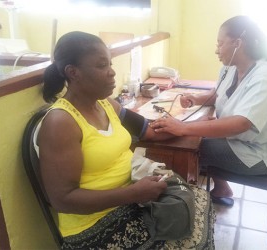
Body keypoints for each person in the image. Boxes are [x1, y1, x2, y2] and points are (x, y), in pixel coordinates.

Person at [35, 31, 214, 249]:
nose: (112, 73)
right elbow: (62, 200)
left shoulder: (106, 104)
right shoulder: (60, 123)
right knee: (189, 239)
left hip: (132, 195)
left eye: (110, 64)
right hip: (94, 223)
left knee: (200, 203)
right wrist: (132, 194)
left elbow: (148, 131)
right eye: (102, 66)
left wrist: (186, 127)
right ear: (73, 72)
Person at [150, 15, 267, 207]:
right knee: (198, 134)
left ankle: (180, 206)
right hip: (241, 142)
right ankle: (220, 188)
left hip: (256, 154)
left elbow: (241, 123)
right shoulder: (232, 68)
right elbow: (219, 93)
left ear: (237, 43)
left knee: (188, 145)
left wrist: (183, 127)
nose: (217, 50)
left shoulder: (266, 77)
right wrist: (195, 98)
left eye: (220, 43)